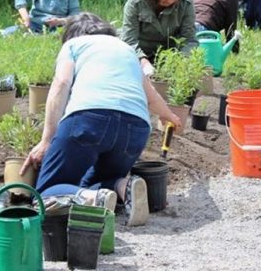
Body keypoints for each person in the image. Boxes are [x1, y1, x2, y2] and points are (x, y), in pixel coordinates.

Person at [20, 12, 183, 226]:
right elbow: (150, 95)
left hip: (89, 119)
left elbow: (61, 83)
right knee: (92, 181)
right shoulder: (126, 50)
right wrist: (170, 116)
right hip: (136, 129)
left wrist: (46, 140)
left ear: (72, 34)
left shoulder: (74, 45)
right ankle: (122, 187)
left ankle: (91, 199)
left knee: (45, 194)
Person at [120, 0, 198, 76]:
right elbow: (129, 40)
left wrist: (181, 62)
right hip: (138, 55)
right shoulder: (135, 2)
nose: (171, 1)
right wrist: (144, 63)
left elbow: (189, 40)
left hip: (170, 56)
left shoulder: (186, 3)